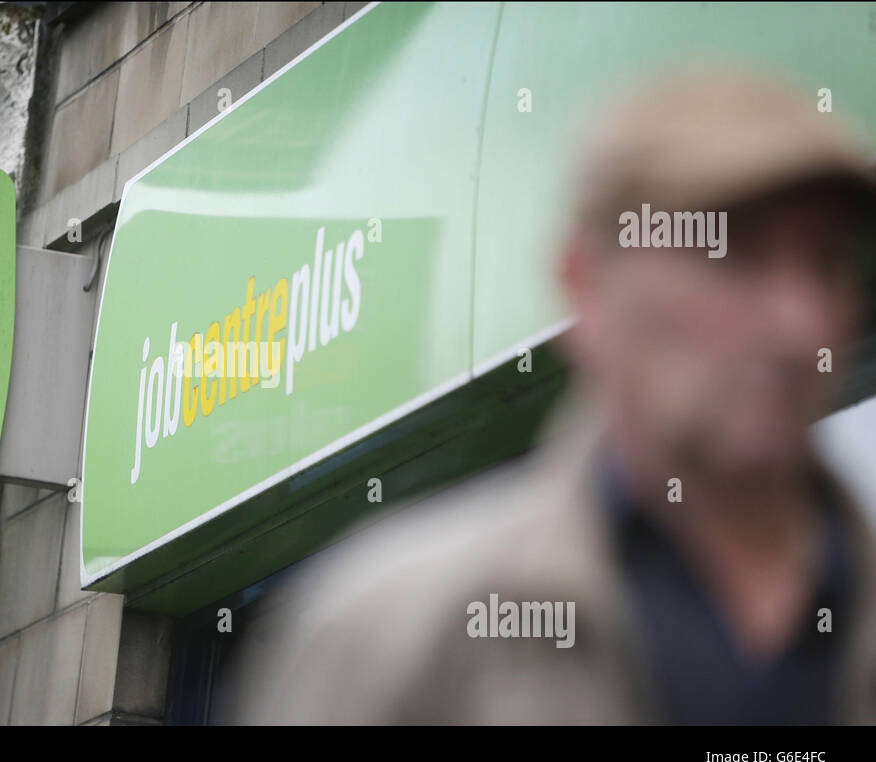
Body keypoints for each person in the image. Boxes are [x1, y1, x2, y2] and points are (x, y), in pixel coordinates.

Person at [228, 67, 876, 724]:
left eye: (827, 261)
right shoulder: (388, 635)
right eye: (735, 252)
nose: (804, 322)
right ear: (586, 286)